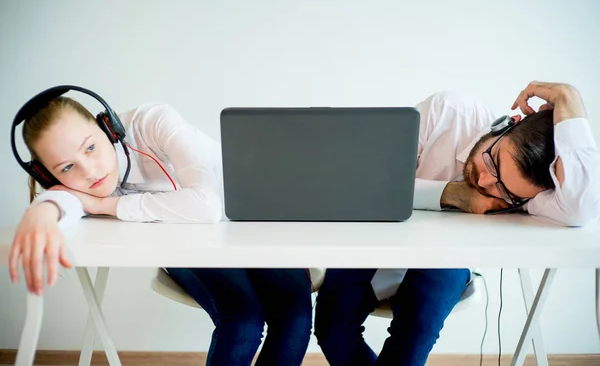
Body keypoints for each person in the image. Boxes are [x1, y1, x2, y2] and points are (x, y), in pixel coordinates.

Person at [8, 88, 312, 366]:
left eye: (89, 148)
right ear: (50, 176)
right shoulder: (72, 185)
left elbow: (206, 205)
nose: (89, 171)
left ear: (107, 128)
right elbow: (64, 203)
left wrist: (107, 205)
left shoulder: (152, 123)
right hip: (188, 246)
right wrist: (42, 211)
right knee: (242, 319)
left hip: (256, 224)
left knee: (294, 318)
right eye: (67, 168)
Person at [314, 81, 600, 365]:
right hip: (375, 240)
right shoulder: (449, 112)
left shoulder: (527, 195)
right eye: (493, 162)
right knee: (331, 327)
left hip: (446, 260)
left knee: (411, 339)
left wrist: (568, 98)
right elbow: (362, 181)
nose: (486, 182)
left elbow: (582, 207)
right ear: (505, 124)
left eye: (505, 190)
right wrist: (449, 194)